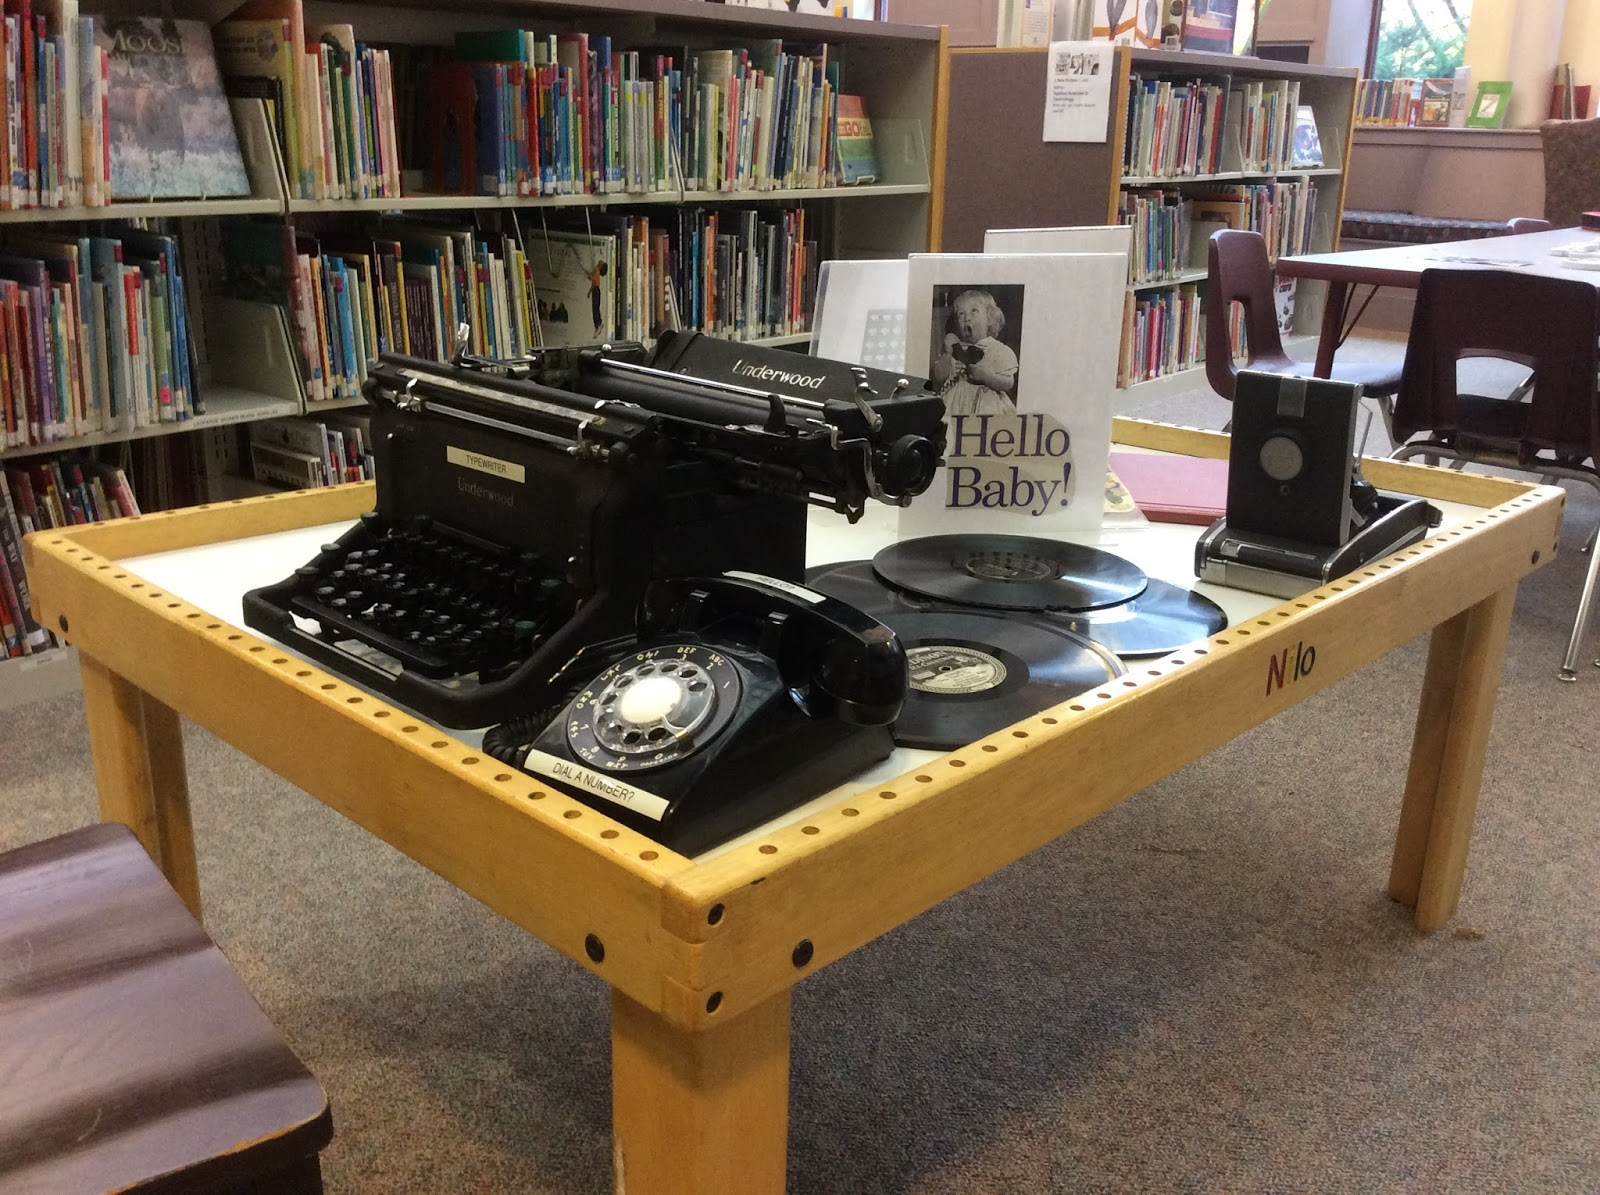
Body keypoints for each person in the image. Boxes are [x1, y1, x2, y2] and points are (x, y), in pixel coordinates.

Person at [930, 289, 1018, 416]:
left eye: (974, 311)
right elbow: (939, 378)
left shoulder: (999, 350)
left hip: (986, 405)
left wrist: (987, 377)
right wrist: (947, 354)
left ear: (989, 319)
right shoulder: (954, 348)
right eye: (961, 314)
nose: (966, 318)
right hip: (956, 404)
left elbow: (1008, 383)